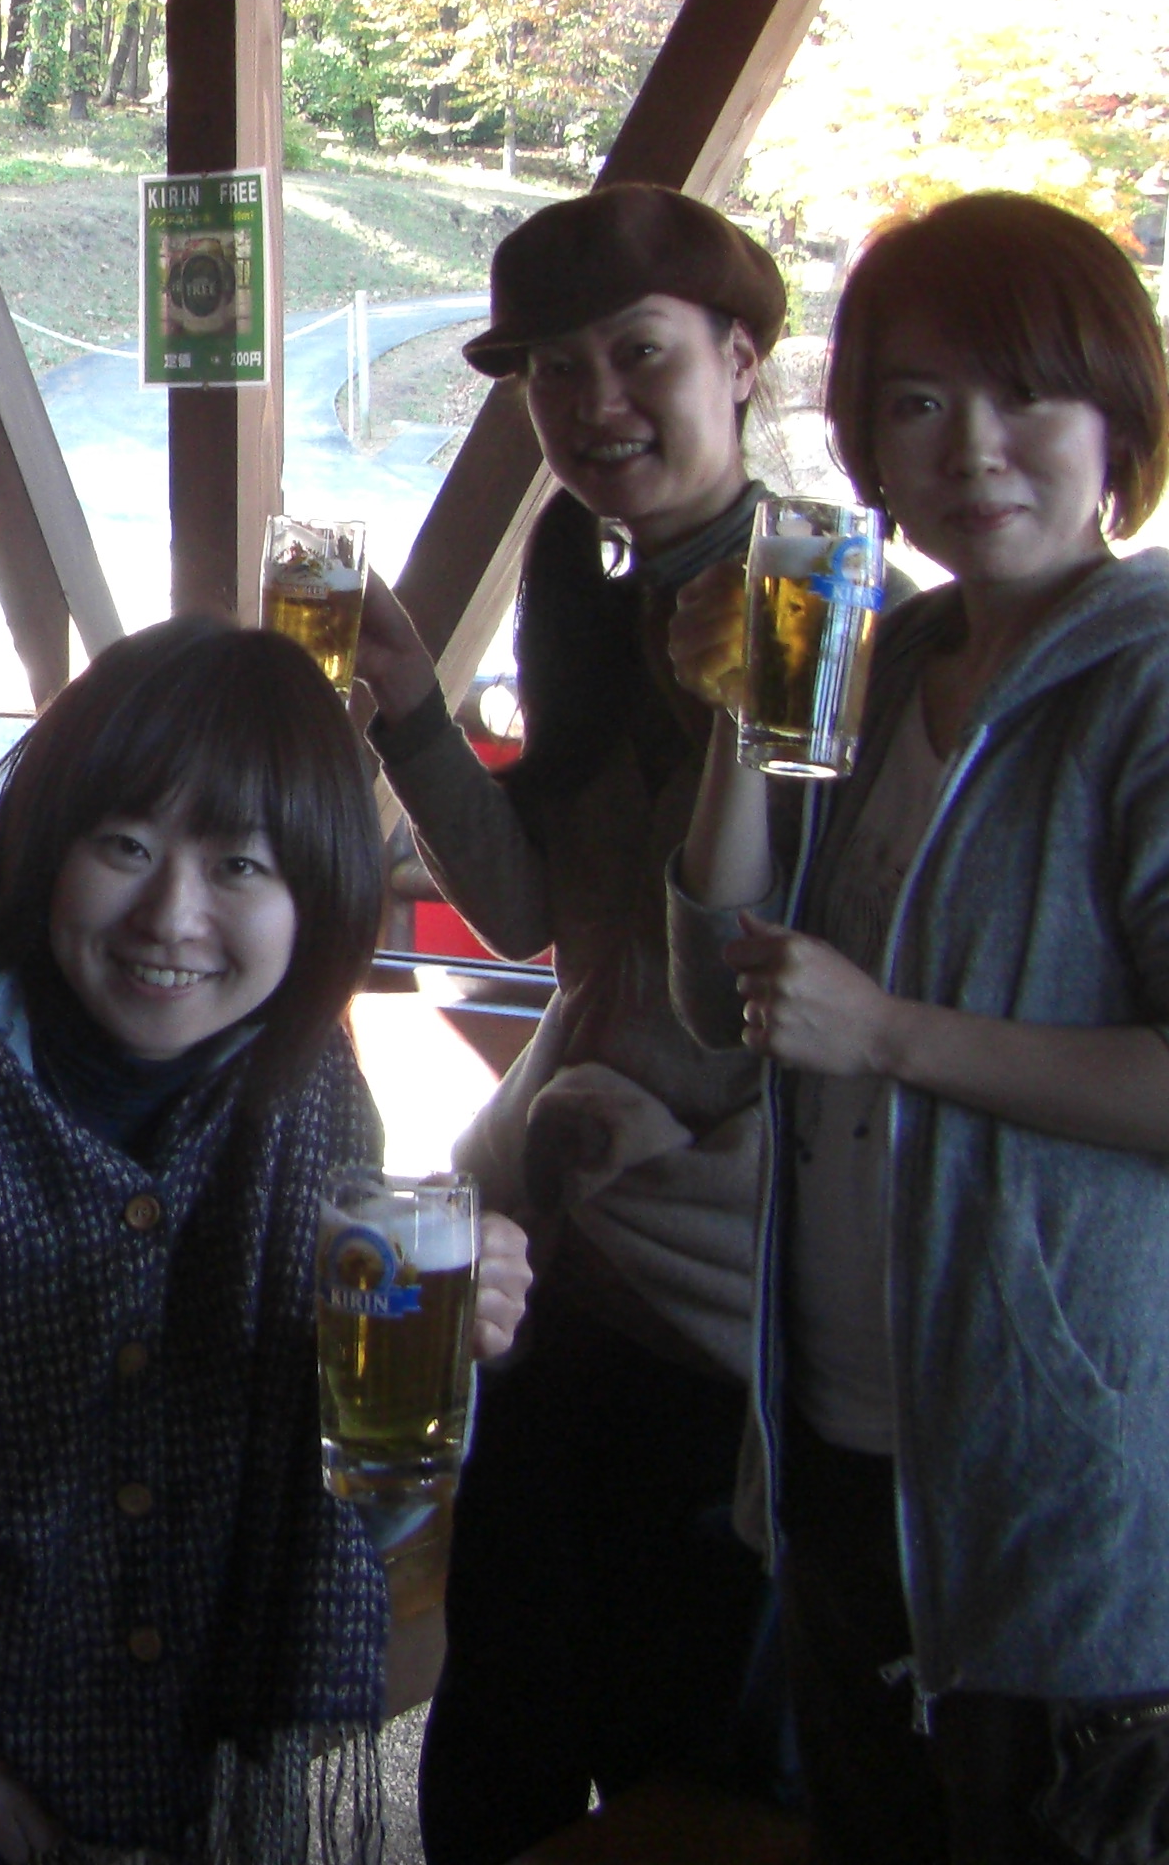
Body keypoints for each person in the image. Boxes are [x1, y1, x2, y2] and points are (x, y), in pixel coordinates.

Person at [0, 618, 530, 1862]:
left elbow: (343, 1526)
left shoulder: (307, 1096)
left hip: (189, 1795)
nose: (172, 915)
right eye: (126, 845)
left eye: (242, 866)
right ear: (46, 838)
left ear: (320, 892)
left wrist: (430, 1374)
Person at [667, 192, 1169, 1865]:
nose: (975, 448)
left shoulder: (1147, 682)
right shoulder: (880, 661)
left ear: (1120, 421)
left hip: (1053, 1470)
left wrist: (887, 1034)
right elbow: (721, 999)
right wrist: (744, 715)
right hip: (833, 1427)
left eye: (1030, 394)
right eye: (921, 400)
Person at [349, 185, 784, 1863]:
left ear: (738, 358)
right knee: (508, 1702)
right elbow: (532, 909)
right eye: (552, 368)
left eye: (638, 353)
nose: (595, 400)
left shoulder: (825, 611)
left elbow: (814, 970)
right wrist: (408, 709)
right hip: (553, 1252)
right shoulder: (587, 578)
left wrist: (682, 1125)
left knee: (692, 1742)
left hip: (728, 1283)